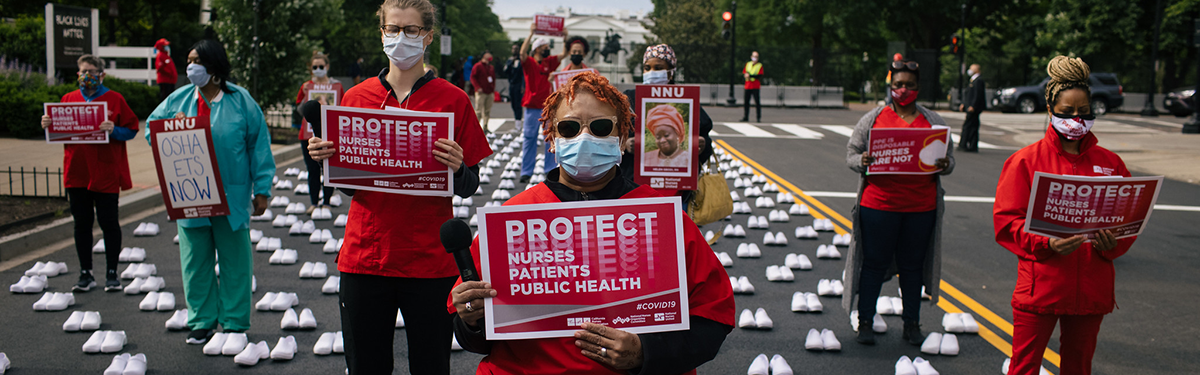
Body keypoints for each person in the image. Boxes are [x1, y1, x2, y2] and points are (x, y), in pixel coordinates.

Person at [448, 71, 735, 374]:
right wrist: (471, 319)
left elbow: (713, 316)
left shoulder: (661, 218)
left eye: (600, 127)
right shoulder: (514, 218)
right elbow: (476, 336)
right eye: (569, 128)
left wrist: (646, 351)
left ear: (623, 139)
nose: (584, 138)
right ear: (553, 140)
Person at [304, 0, 491, 372]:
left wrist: (456, 168)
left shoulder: (454, 100)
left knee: (431, 366)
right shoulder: (356, 99)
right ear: (382, 33)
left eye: (411, 30)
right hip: (365, 257)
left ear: (428, 37)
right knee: (366, 366)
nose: (400, 37)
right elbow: (355, 190)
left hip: (429, 263)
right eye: (393, 29)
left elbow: (469, 186)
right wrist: (327, 161)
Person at [993, 56, 1134, 375]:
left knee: (1079, 367)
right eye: (1067, 112)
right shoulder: (1025, 162)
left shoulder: (1111, 163)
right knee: (1024, 366)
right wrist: (1047, 243)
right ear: (1050, 110)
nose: (1076, 119)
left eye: (1084, 112)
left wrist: (1112, 244)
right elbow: (1006, 223)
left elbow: (1128, 224)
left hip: (1090, 291)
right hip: (1041, 286)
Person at [146, 39, 275, 345]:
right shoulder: (177, 100)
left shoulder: (240, 100)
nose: (191, 67)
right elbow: (154, 130)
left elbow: (259, 144)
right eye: (188, 60)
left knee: (235, 261)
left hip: (232, 194)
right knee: (195, 261)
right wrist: (170, 129)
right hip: (190, 194)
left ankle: (233, 323)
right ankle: (202, 321)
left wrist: (262, 189)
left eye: (197, 61)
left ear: (214, 65)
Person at [843, 60, 954, 346]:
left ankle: (912, 324)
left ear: (918, 89)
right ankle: (865, 321)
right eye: (898, 85)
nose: (903, 90)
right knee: (873, 264)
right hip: (878, 206)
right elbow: (852, 153)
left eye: (910, 86)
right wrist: (862, 161)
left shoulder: (933, 121)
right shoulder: (873, 118)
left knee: (912, 266)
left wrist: (945, 163)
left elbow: (949, 159)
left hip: (921, 207)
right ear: (890, 87)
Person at [39, 55, 140, 293]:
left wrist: (114, 129)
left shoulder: (115, 99)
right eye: (83, 72)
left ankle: (112, 272)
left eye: (92, 72)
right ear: (77, 74)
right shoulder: (68, 99)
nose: (87, 76)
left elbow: (132, 128)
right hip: (77, 172)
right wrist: (48, 124)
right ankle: (86, 273)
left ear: (101, 75)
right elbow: (60, 130)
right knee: (81, 224)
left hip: (105, 171)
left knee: (108, 223)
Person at [619, 44, 713, 203]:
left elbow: (704, 137)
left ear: (671, 72)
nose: (651, 73)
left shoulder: (686, 100)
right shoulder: (630, 99)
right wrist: (624, 145)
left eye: (658, 67)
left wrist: (702, 145)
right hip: (635, 188)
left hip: (678, 193)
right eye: (647, 68)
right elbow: (612, 134)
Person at [293, 51, 343, 213]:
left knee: (329, 169)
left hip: (330, 134)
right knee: (312, 170)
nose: (318, 69)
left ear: (327, 67)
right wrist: (305, 93)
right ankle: (314, 203)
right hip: (308, 135)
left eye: (321, 66)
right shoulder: (306, 86)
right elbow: (300, 110)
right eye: (315, 67)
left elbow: (341, 107)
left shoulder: (337, 86)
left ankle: (327, 202)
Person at [518, 24, 568, 183]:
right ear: (537, 49)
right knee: (529, 138)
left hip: (547, 106)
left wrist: (565, 37)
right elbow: (522, 53)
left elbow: (564, 54)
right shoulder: (530, 62)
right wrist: (531, 34)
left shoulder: (549, 62)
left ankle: (549, 170)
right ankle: (526, 171)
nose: (548, 49)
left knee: (550, 139)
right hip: (532, 107)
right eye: (545, 47)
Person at [959, 63, 985, 152]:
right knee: (972, 126)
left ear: (977, 70)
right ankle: (971, 145)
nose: (970, 70)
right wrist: (964, 103)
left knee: (968, 126)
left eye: (972, 69)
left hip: (973, 108)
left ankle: (964, 144)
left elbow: (977, 95)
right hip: (970, 106)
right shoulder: (973, 80)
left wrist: (973, 106)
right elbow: (968, 94)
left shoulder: (978, 81)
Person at [471, 51, 496, 133]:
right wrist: (477, 87)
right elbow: (473, 77)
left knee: (487, 111)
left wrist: (492, 89)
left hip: (489, 92)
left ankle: (485, 127)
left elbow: (493, 79)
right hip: (481, 92)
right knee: (478, 111)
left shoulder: (491, 67)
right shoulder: (478, 66)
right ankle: (475, 128)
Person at [503, 43, 524, 122]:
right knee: (513, 103)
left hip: (518, 84)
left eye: (516, 49)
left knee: (518, 103)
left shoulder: (521, 61)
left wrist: (523, 85)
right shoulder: (510, 60)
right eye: (513, 49)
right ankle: (516, 120)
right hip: (512, 84)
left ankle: (518, 121)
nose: (514, 50)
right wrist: (510, 63)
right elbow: (505, 71)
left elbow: (523, 74)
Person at [740, 51, 763, 122]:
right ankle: (746, 116)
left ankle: (758, 117)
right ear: (751, 57)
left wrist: (750, 75)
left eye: (756, 57)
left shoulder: (759, 65)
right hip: (748, 85)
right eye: (754, 56)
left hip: (755, 86)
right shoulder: (748, 64)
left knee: (757, 102)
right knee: (746, 102)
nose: (755, 58)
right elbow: (744, 72)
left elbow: (759, 75)